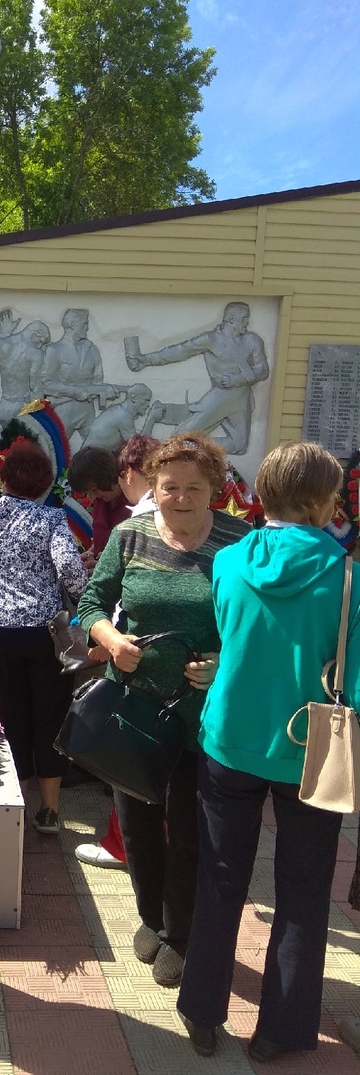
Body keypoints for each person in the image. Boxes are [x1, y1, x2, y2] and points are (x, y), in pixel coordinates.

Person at [177, 441, 359, 1061]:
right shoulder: (347, 574)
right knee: (304, 890)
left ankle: (202, 1011)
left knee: (221, 878)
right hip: (311, 744)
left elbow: (232, 637)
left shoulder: (228, 562)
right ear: (321, 500)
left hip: (230, 736)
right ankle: (279, 1031)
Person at [78, 433, 248, 987]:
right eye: (169, 486)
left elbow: (254, 624)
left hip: (202, 715)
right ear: (153, 485)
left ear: (214, 490)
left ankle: (181, 931)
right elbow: (91, 602)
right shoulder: (129, 536)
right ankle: (151, 915)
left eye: (193, 488)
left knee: (192, 831)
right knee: (138, 822)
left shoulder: (239, 542)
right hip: (133, 708)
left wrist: (223, 660)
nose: (179, 497)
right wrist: (111, 639)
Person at [0, 439, 87, 834]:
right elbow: (71, 572)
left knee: (11, 715)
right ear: (46, 483)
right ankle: (48, 811)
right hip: (45, 634)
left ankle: (14, 807)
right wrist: (89, 610)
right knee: (50, 717)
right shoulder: (51, 520)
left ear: (1, 477)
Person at [73, 434, 160, 870]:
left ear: (128, 474)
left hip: (137, 650)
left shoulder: (140, 521)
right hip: (159, 651)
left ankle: (126, 846)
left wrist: (107, 638)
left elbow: (112, 598)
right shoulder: (204, 524)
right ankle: (139, 843)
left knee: (134, 753)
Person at [125, 302, 268, 455]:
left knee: (239, 445)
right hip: (222, 396)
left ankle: (169, 417)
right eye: (244, 318)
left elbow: (263, 370)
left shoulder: (253, 341)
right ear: (231, 319)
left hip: (242, 398)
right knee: (182, 436)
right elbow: (180, 351)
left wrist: (237, 379)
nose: (248, 322)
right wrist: (146, 360)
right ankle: (164, 416)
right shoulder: (211, 339)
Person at [43, 309, 120, 442]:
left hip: (86, 410)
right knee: (57, 450)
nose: (88, 327)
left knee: (96, 447)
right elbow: (47, 384)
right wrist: (75, 391)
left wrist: (105, 392)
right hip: (63, 409)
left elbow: (97, 382)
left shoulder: (92, 349)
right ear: (72, 325)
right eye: (84, 324)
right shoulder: (54, 350)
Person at [0, 311, 50, 426]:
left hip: (4, 406)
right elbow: (35, 387)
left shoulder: (4, 344)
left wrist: (2, 333)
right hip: (23, 408)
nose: (40, 345)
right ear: (35, 333)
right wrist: (41, 410)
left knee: (8, 441)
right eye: (41, 341)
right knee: (24, 443)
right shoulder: (36, 354)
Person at [66, 445, 130, 567]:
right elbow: (102, 536)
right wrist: (92, 551)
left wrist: (105, 565)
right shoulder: (102, 501)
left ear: (106, 478)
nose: (93, 497)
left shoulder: (134, 504)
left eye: (94, 490)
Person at [82, 384, 163, 451]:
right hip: (92, 461)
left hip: (94, 458)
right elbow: (137, 447)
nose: (148, 405)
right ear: (134, 398)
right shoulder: (123, 416)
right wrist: (151, 419)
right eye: (146, 400)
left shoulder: (120, 411)